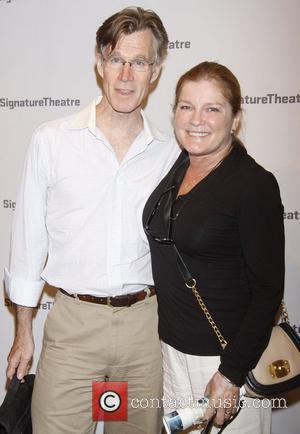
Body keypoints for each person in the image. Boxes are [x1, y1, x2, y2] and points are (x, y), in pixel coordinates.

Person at [5, 7, 180, 434]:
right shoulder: (52, 140)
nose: (125, 75)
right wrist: (23, 332)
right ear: (99, 63)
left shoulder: (171, 152)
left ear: (155, 71)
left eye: (138, 62)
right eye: (116, 59)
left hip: (145, 329)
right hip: (72, 330)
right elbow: (28, 241)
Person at [143, 61, 284, 433]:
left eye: (212, 108)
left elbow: (268, 290)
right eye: (186, 106)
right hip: (173, 353)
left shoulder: (253, 185)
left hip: (224, 362)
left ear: (235, 118)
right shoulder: (179, 167)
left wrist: (231, 373)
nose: (196, 119)